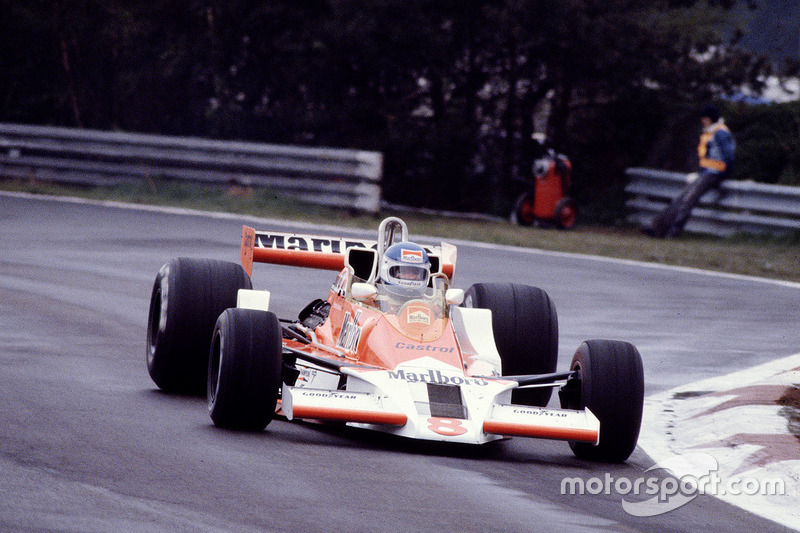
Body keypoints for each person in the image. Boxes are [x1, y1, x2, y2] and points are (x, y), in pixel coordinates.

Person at [648, 104, 736, 238]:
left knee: (687, 201)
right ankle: (657, 227)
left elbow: (729, 156)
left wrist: (723, 175)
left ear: (710, 119)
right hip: (706, 173)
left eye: (705, 118)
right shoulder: (711, 131)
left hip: (714, 174)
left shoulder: (721, 132)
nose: (702, 121)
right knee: (680, 199)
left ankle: (672, 232)